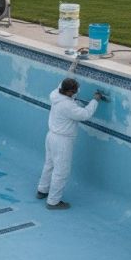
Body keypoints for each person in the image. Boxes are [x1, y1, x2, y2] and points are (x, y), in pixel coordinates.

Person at [36, 77, 105, 210]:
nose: (76, 93)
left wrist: (73, 69)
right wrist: (95, 100)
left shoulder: (55, 94)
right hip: (62, 141)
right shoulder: (67, 106)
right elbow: (85, 114)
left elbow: (61, 83)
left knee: (49, 165)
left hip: (51, 136)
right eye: (74, 91)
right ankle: (53, 202)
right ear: (68, 92)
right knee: (61, 171)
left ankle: (42, 190)